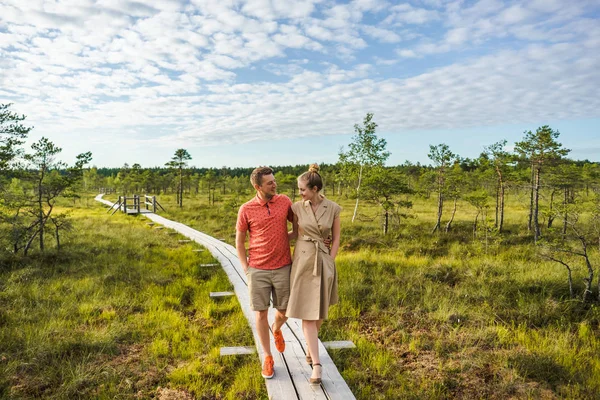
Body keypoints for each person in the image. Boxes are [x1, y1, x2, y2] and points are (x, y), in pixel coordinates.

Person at [235, 166, 293, 379]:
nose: (274, 184)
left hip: (283, 266)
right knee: (260, 313)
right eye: (270, 182)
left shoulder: (285, 201)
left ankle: (276, 329)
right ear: (258, 187)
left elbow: (300, 225)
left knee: (286, 309)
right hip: (257, 268)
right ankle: (268, 357)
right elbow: (239, 241)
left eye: (274, 180)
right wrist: (245, 267)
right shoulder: (246, 209)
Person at [287, 163, 341, 385]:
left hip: (324, 259)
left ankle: (311, 347)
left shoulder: (334, 208)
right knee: (308, 314)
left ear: (316, 189)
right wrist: (269, 243)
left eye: (303, 190)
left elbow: (336, 238)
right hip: (302, 259)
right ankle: (317, 366)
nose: (300, 194)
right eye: (299, 190)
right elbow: (292, 232)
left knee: (319, 313)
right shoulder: (297, 208)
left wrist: (330, 258)